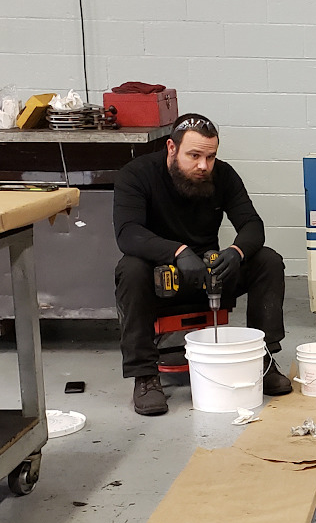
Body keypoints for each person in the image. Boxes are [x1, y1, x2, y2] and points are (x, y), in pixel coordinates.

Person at [113, 113, 291, 416]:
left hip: (209, 275)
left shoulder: (223, 176)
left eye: (210, 157)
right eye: (194, 155)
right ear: (172, 147)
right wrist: (177, 252)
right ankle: (144, 376)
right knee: (130, 268)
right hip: (163, 274)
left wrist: (236, 251)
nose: (203, 166)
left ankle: (263, 359)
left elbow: (252, 225)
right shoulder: (137, 174)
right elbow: (128, 233)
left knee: (267, 261)